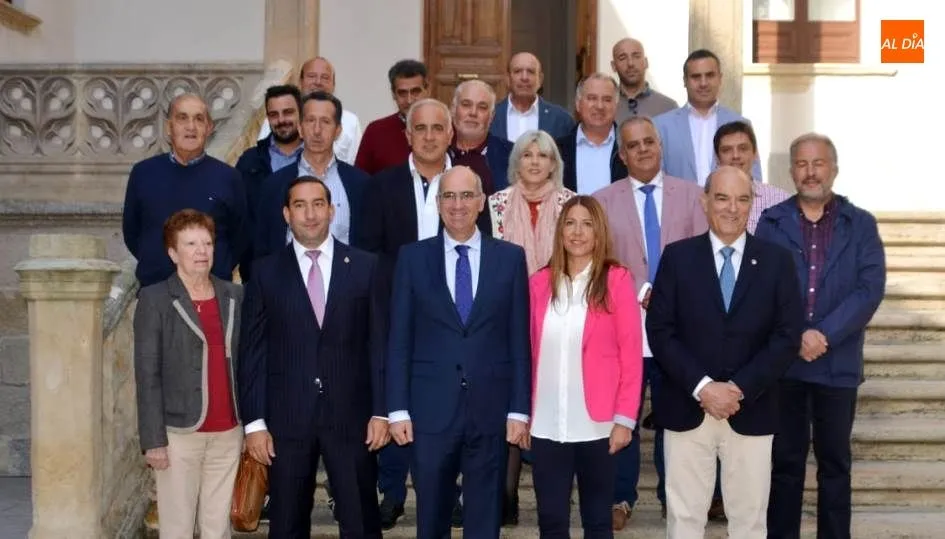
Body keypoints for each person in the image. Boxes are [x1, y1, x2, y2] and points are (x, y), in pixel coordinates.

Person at [646, 166, 804, 538]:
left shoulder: (777, 261)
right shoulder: (677, 257)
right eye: (722, 197)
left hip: (752, 408)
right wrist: (703, 387)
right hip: (688, 407)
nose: (732, 208)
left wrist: (738, 388)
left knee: (749, 522)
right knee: (684, 520)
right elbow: (661, 331)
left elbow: (786, 336)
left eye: (742, 199)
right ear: (705, 202)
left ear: (752, 204)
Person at [239, 176, 390, 537]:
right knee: (287, 524)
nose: (310, 214)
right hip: (286, 421)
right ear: (286, 214)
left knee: (361, 522)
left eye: (318, 204)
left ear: (332, 210)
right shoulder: (263, 272)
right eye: (300, 205)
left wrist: (381, 410)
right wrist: (255, 423)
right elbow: (253, 351)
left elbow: (380, 344)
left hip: (353, 419)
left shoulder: (367, 267)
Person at [386, 166, 531, 538]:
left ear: (482, 202)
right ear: (437, 204)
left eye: (467, 195)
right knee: (431, 518)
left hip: (490, 408)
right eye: (448, 196)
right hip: (430, 410)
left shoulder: (510, 259)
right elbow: (399, 338)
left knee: (485, 521)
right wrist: (398, 408)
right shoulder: (412, 258)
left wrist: (518, 409)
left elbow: (519, 339)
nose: (458, 205)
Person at [758, 133, 886, 539]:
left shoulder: (861, 224)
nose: (810, 172)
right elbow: (762, 287)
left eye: (818, 163)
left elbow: (869, 288)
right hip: (787, 367)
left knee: (835, 466)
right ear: (791, 170)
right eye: (801, 164)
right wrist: (796, 335)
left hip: (838, 366)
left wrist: (824, 335)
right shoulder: (771, 222)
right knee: (786, 465)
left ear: (833, 168)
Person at [592, 116, 707, 528]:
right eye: (633, 145)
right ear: (621, 155)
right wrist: (641, 288)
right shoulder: (602, 200)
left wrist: (671, 294)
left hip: (678, 328)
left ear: (660, 146)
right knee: (621, 414)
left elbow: (701, 255)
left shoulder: (693, 195)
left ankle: (672, 497)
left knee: (674, 416)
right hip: (624, 325)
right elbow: (600, 256)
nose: (642, 150)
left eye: (649, 142)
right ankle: (619, 498)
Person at [527, 195, 643, 537]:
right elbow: (527, 351)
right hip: (547, 424)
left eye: (587, 224)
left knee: (597, 521)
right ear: (560, 230)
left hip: (598, 424)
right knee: (550, 522)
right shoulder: (539, 283)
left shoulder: (617, 280)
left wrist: (625, 418)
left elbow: (631, 353)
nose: (578, 232)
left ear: (599, 232)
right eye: (570, 223)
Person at [134, 209, 244, 539]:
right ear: (172, 252)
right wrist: (154, 441)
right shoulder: (155, 299)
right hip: (178, 434)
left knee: (218, 527)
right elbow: (147, 373)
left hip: (228, 432)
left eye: (207, 243)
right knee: (177, 527)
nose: (201, 251)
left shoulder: (235, 295)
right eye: (191, 243)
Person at [486, 128, 575, 524]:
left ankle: (551, 501)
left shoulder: (573, 205)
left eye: (544, 155)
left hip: (560, 316)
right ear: (516, 162)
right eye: (527, 155)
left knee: (552, 408)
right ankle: (505, 498)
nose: (535, 162)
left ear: (554, 163)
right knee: (510, 406)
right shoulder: (495, 205)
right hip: (505, 317)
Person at [122, 93, 247, 288]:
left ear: (208, 128)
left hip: (212, 293)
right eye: (182, 118)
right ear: (168, 127)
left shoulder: (229, 177)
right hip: (156, 293)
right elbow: (132, 233)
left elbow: (240, 239)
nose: (191, 126)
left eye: (199, 119)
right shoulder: (143, 173)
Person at [252, 91, 369, 263]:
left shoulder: (361, 184)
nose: (317, 130)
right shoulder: (274, 185)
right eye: (310, 121)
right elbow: (263, 248)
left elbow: (369, 248)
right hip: (289, 284)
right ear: (300, 128)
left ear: (338, 131)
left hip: (347, 284)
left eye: (325, 122)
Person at [653, 49, 762, 185]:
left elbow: (755, 180)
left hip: (728, 205)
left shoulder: (740, 123)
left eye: (710, 75)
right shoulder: (661, 126)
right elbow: (656, 177)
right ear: (685, 81)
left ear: (720, 78)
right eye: (696, 77)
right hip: (679, 205)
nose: (703, 83)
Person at [235, 84, 304, 282]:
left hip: (309, 267)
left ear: (301, 113)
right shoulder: (249, 161)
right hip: (260, 270)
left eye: (288, 112)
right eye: (274, 114)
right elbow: (239, 215)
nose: (281, 120)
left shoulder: (315, 158)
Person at [257, 57, 362, 165]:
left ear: (333, 85)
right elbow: (261, 156)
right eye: (311, 76)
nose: (318, 82)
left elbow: (356, 164)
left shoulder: (351, 121)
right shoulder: (280, 119)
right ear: (300, 81)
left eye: (325, 78)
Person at [713, 120, 790, 233]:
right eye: (727, 150)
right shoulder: (704, 202)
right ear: (717, 158)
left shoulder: (779, 200)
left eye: (743, 148)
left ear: (755, 154)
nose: (735, 156)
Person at [355, 59, 430, 175]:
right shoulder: (375, 131)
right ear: (393, 94)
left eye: (415, 91)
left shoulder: (444, 128)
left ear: (427, 90)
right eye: (402, 93)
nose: (409, 100)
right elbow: (359, 180)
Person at [556, 73, 627, 194]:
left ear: (616, 106)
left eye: (607, 100)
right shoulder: (558, 150)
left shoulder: (629, 147)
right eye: (592, 98)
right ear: (578, 104)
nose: (599, 106)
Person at [491, 51, 574, 142]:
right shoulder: (490, 116)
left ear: (540, 79)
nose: (524, 77)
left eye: (530, 72)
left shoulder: (561, 120)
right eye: (517, 71)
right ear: (508, 79)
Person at [448, 79, 513, 193]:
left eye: (482, 107)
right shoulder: (439, 150)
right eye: (466, 105)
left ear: (492, 116)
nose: (473, 112)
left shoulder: (511, 155)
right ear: (453, 109)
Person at [611, 38, 679, 123]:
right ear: (613, 66)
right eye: (623, 58)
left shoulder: (668, 107)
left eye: (636, 56)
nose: (630, 63)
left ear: (646, 62)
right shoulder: (605, 106)